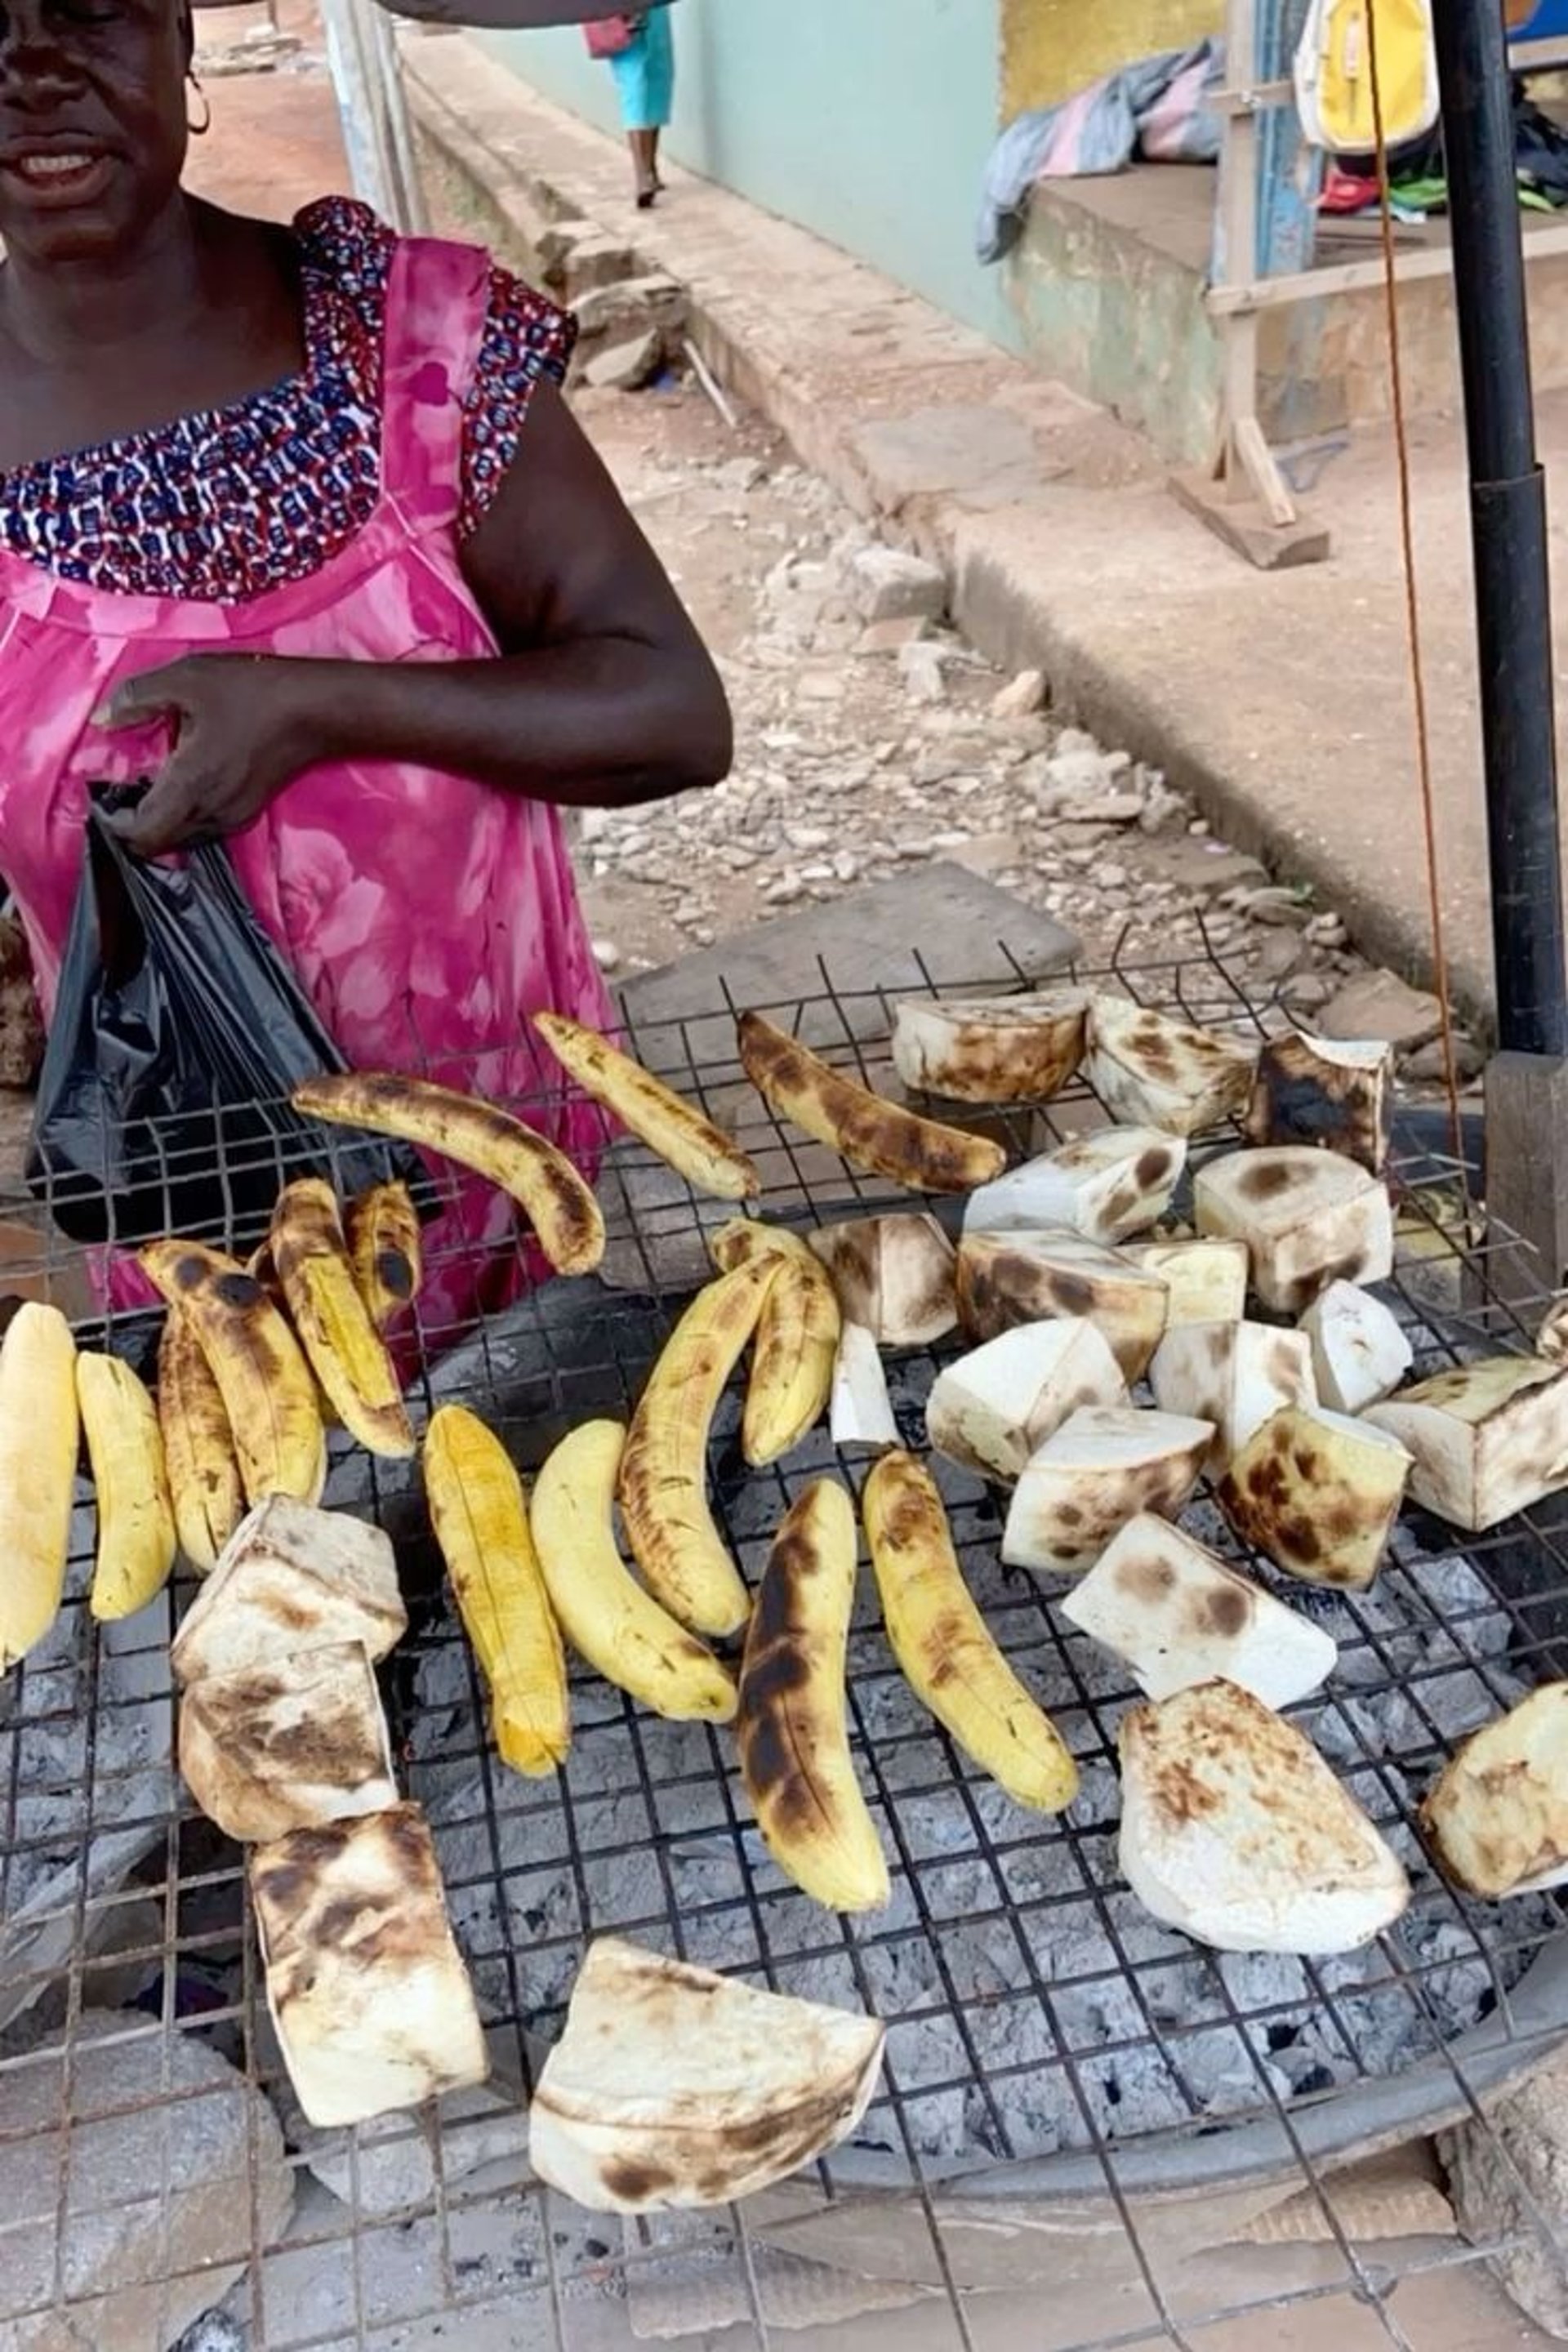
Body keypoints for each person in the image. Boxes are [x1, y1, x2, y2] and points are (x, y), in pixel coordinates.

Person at [0, 0, 731, 1343]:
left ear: (180, 38)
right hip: (206, 1280)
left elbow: (672, 711)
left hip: (526, 1208)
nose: (33, 68)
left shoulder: (416, 347)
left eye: (90, 7)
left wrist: (318, 707)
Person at [603, 7, 675, 207]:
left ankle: (649, 170)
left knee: (652, 82)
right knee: (638, 86)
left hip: (650, 13)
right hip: (625, 16)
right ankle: (643, 174)